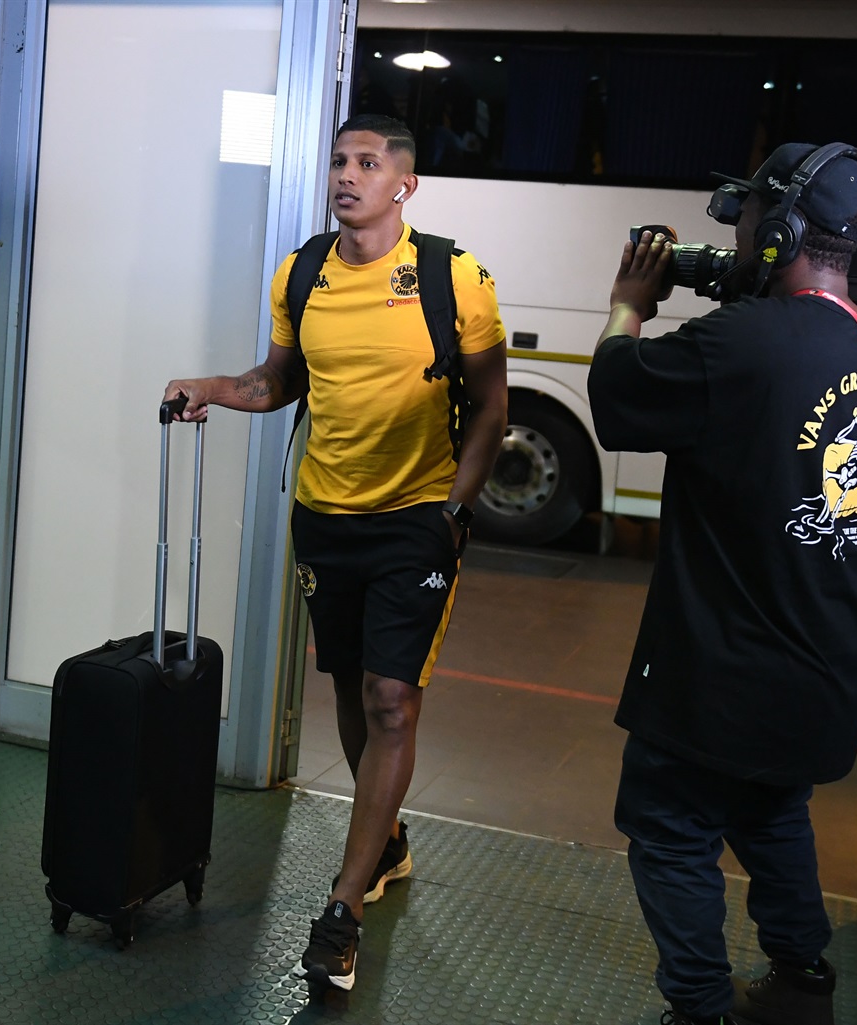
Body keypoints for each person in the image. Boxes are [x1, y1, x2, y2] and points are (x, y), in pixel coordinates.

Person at [164, 113, 507, 991]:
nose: (346, 174)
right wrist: (211, 386)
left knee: (393, 696)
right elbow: (277, 381)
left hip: (414, 521)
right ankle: (385, 840)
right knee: (355, 685)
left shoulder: (454, 278)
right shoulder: (302, 271)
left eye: (367, 162)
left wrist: (452, 512)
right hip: (324, 514)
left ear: (405, 184)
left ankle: (344, 905)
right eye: (339, 161)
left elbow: (492, 407)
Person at [586, 143, 857, 1025]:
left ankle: (699, 1008)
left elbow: (616, 396)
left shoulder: (740, 342)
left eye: (756, 219)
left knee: (670, 826)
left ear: (785, 229)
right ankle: (803, 983)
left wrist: (627, 306)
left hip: (726, 670)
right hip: (831, 661)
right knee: (770, 813)